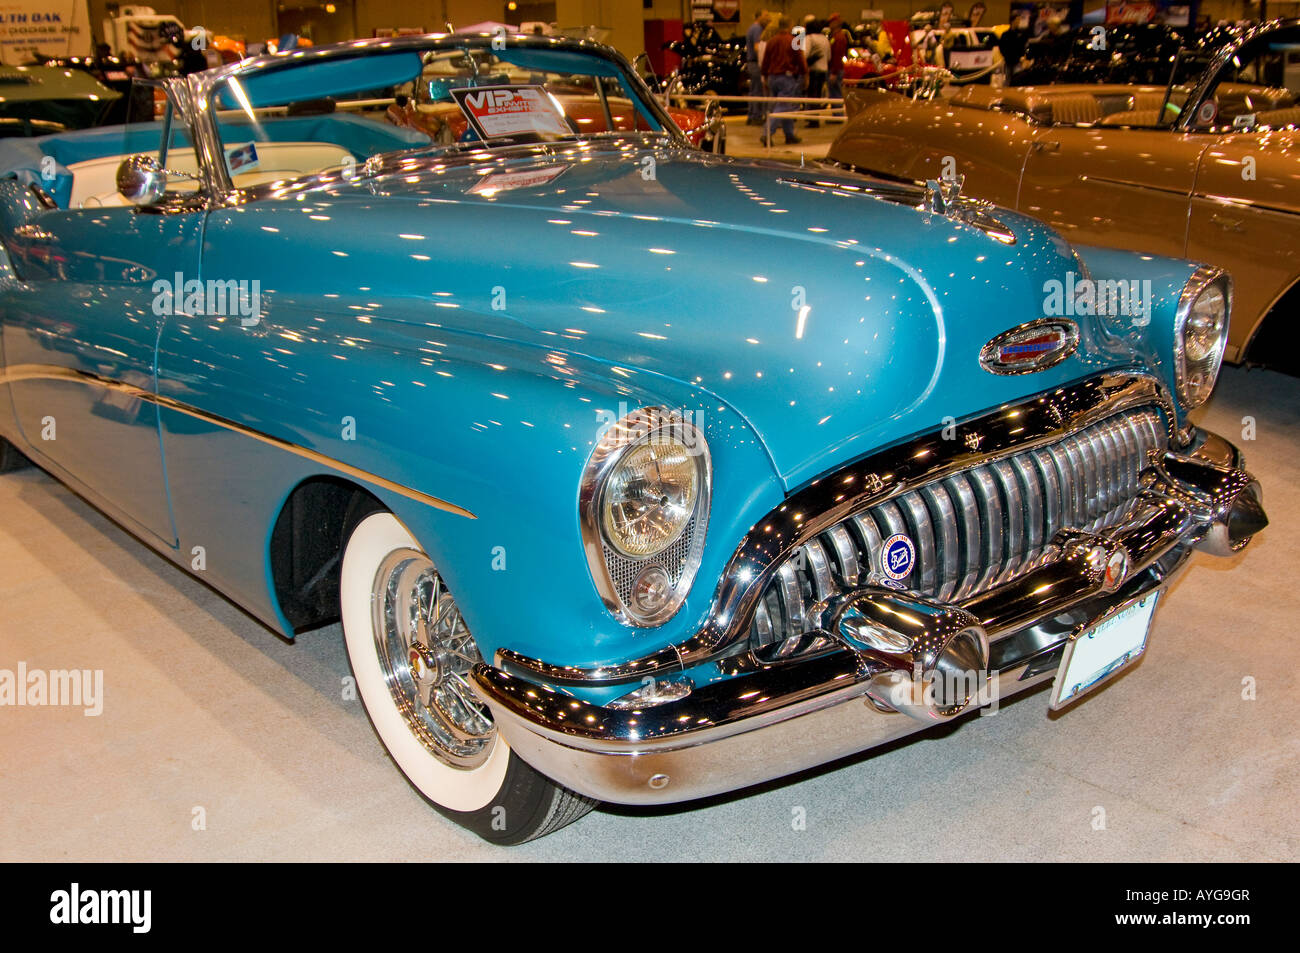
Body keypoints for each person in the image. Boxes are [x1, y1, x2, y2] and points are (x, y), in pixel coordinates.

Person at [761, 15, 806, 146]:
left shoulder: (771, 41)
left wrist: (764, 76)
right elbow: (801, 60)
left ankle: (789, 134)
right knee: (783, 107)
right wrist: (805, 74)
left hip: (772, 77)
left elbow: (765, 61)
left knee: (784, 107)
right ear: (790, 25)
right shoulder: (793, 41)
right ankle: (767, 133)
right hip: (786, 78)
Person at [744, 9, 771, 126]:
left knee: (754, 90)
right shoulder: (757, 29)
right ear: (758, 17)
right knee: (758, 91)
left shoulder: (752, 28)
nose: (768, 18)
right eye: (766, 15)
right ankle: (756, 116)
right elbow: (757, 47)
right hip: (756, 63)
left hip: (752, 63)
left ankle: (752, 115)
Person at [804, 20, 830, 127]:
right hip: (824, 69)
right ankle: (815, 117)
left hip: (813, 70)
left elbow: (804, 55)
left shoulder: (809, 39)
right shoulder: (825, 39)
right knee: (818, 96)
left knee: (812, 96)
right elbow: (829, 57)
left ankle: (813, 120)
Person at [826, 13, 851, 105]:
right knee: (834, 95)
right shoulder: (835, 36)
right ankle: (836, 116)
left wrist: (834, 72)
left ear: (836, 23)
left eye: (831, 22)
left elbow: (837, 56)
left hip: (835, 70)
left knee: (836, 96)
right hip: (835, 69)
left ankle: (838, 117)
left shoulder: (839, 37)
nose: (829, 24)